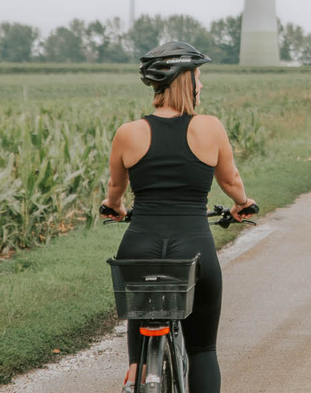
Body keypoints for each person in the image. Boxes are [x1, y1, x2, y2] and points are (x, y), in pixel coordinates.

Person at [101, 41, 258, 393]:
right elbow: (231, 182)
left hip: (140, 244)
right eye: (199, 77)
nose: (201, 85)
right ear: (187, 81)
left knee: (140, 306)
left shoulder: (129, 132)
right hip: (193, 246)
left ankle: (137, 372)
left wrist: (115, 208)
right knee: (202, 349)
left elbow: (115, 189)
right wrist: (242, 203)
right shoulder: (209, 127)